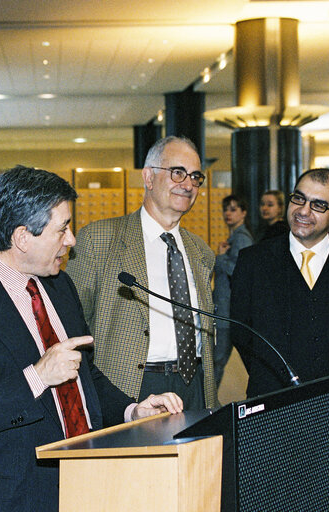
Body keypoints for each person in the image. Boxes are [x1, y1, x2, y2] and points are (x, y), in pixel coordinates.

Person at [0, 165, 184, 512]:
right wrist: (38, 376)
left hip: (86, 481)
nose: (72, 239)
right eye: (62, 228)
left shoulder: (59, 285)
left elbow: (83, 374)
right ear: (22, 237)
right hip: (16, 495)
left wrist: (131, 409)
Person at [231, 168, 329, 512]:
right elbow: (242, 333)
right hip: (271, 411)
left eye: (319, 205)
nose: (303, 210)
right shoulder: (253, 262)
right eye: (298, 198)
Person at [66, 136, 218, 411]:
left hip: (193, 388)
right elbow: (72, 329)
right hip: (130, 388)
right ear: (148, 177)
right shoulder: (98, 240)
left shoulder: (201, 251)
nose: (188, 184)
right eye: (178, 173)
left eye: (196, 177)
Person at [211, 194, 253, 385]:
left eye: (234, 209)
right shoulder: (234, 237)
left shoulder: (242, 238)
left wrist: (220, 257)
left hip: (228, 310)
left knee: (217, 360)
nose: (228, 213)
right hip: (225, 307)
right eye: (226, 209)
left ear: (244, 213)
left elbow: (239, 271)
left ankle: (209, 404)